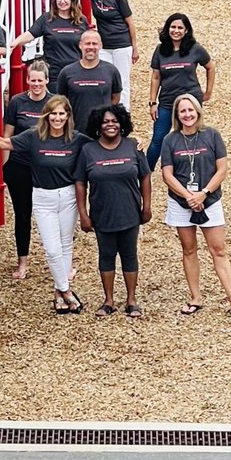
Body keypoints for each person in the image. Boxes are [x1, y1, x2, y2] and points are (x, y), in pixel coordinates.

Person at [0, 95, 87, 314]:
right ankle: (66, 290)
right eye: (53, 114)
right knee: (51, 249)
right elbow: (4, 143)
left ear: (68, 116)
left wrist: (131, 145)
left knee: (65, 245)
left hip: (68, 196)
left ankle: (58, 293)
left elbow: (101, 147)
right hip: (42, 197)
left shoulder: (77, 139)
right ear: (46, 115)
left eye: (61, 114)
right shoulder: (33, 136)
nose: (57, 118)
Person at [161, 94, 231, 318]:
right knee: (189, 249)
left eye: (190, 110)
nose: (187, 114)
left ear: (198, 111)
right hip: (181, 202)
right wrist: (188, 196)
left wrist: (203, 193)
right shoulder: (170, 140)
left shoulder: (211, 135)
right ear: (177, 115)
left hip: (209, 199)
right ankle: (195, 298)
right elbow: (167, 174)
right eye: (183, 111)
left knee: (218, 250)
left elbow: (222, 169)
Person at [75, 104, 152, 319]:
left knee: (129, 255)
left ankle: (131, 300)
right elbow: (80, 182)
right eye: (105, 122)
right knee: (106, 255)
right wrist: (83, 214)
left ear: (122, 123)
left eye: (114, 121)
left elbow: (145, 176)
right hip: (102, 213)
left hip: (129, 212)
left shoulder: (133, 146)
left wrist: (147, 206)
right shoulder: (88, 150)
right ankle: (108, 301)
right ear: (98, 126)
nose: (111, 125)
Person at [1, 60, 51, 280]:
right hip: (19, 165)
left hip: (46, 167)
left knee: (49, 214)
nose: (36, 84)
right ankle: (22, 261)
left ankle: (59, 261)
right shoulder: (17, 102)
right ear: (27, 80)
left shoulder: (54, 103)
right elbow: (7, 136)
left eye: (40, 80)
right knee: (22, 214)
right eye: (32, 80)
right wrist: (4, 167)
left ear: (47, 80)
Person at [145, 13, 215, 168]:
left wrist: (208, 92)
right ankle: (145, 172)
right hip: (167, 102)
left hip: (191, 101)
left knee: (192, 137)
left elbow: (210, 67)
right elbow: (156, 77)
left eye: (180, 28)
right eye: (173, 27)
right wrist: (152, 103)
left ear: (186, 30)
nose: (176, 31)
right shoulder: (160, 50)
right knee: (158, 139)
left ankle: (193, 169)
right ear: (167, 28)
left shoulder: (195, 49)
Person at [72, 0, 137, 107]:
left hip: (121, 44)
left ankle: (123, 111)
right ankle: (105, 108)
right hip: (104, 46)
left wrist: (134, 48)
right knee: (104, 77)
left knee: (121, 80)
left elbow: (130, 23)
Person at [8, 0, 89, 92]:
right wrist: (14, 43)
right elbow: (30, 34)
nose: (62, 1)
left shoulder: (81, 20)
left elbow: (88, 43)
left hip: (76, 71)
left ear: (72, 0)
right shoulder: (46, 19)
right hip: (54, 72)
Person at [57, 30, 122, 132]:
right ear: (80, 45)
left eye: (94, 44)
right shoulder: (67, 72)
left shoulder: (111, 71)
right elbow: (61, 101)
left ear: (100, 46)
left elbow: (115, 98)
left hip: (102, 132)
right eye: (87, 43)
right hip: (75, 131)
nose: (91, 47)